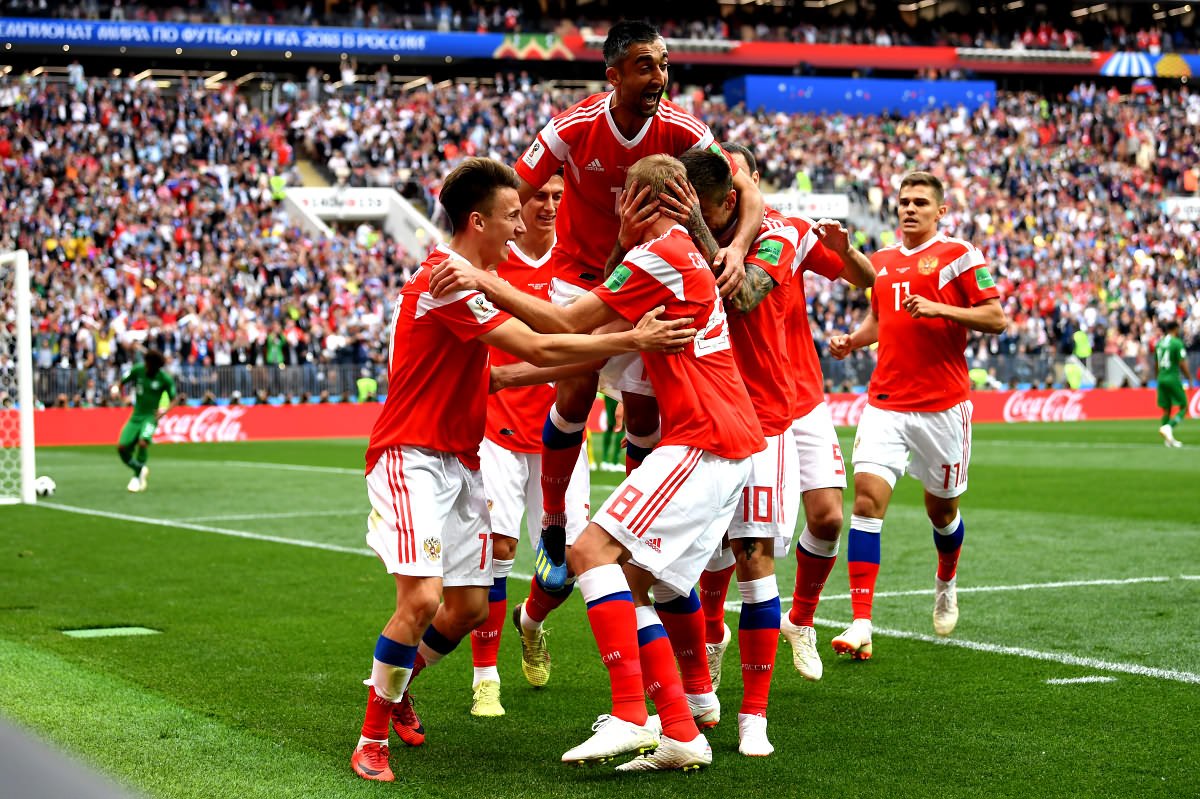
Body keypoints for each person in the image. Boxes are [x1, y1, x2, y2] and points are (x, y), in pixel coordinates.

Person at [349, 157, 695, 783]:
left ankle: (396, 687)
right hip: (410, 455)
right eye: (511, 215)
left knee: (468, 609)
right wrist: (631, 342)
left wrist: (601, 357)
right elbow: (538, 344)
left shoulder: (475, 280)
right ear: (476, 221)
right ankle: (370, 739)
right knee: (422, 599)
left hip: (460, 461)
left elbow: (509, 372)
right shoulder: (449, 280)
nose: (519, 227)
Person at [431, 154, 765, 772]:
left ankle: (631, 714)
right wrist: (508, 378)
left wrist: (483, 281)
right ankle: (683, 730)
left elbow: (564, 321)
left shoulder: (659, 257)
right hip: (724, 442)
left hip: (705, 440)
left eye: (622, 198)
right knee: (636, 582)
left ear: (639, 204)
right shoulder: (671, 257)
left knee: (589, 553)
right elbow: (592, 349)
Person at [513, 19, 764, 593]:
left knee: (645, 412)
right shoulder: (572, 127)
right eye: (646, 65)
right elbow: (512, 188)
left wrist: (738, 249)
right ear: (614, 74)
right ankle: (554, 526)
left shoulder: (683, 128)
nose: (659, 76)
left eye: (664, 65)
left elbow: (746, 191)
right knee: (575, 389)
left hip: (650, 275)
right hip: (581, 271)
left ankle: (636, 533)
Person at [672, 148, 873, 754]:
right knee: (700, 560)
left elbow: (748, 293)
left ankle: (761, 699)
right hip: (701, 416)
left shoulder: (782, 233)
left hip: (777, 409)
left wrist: (848, 250)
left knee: (768, 550)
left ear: (742, 188)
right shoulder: (678, 238)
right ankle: (703, 658)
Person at [825, 171, 1007, 659]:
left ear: (940, 211)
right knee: (866, 504)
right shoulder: (882, 262)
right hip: (885, 403)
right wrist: (852, 341)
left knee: (941, 512)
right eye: (904, 201)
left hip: (943, 407)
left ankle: (946, 580)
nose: (909, 208)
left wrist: (941, 309)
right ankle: (861, 621)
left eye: (920, 202)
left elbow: (996, 317)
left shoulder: (960, 255)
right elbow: (881, 320)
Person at [467, 172, 591, 714]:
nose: (549, 205)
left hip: (561, 433)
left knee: (571, 564)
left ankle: (531, 620)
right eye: (539, 195)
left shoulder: (577, 261)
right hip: (497, 431)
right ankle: (485, 676)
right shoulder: (494, 261)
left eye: (559, 197)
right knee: (498, 549)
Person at [113, 349, 177, 493]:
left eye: (149, 364)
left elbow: (174, 398)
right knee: (121, 447)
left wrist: (164, 411)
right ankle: (140, 468)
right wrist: (118, 393)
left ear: (156, 366)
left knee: (143, 442)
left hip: (150, 417)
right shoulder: (138, 370)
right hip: (136, 416)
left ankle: (136, 478)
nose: (146, 366)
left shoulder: (164, 379)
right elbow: (121, 382)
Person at [1155, 319, 1191, 447]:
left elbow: (1156, 364)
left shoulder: (1159, 343)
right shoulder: (1177, 343)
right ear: (1175, 329)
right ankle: (1169, 426)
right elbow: (1182, 363)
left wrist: (1158, 377)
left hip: (1161, 377)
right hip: (1172, 377)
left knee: (1167, 409)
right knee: (1184, 406)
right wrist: (1189, 377)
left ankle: (1168, 439)